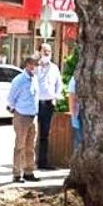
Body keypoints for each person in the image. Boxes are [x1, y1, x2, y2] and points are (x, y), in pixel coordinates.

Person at [9, 54, 40, 182]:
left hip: (33, 116)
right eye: (32, 64)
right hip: (21, 115)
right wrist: (14, 109)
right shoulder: (19, 80)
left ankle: (29, 171)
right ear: (27, 65)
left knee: (30, 146)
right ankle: (16, 173)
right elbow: (11, 98)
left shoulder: (34, 79)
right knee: (20, 145)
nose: (34, 67)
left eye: (36, 64)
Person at [35, 44, 63, 170]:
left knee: (45, 134)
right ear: (39, 52)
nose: (47, 53)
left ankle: (43, 162)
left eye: (49, 51)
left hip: (48, 103)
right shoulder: (35, 67)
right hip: (35, 103)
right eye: (45, 50)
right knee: (32, 132)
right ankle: (29, 162)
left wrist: (56, 97)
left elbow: (59, 84)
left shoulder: (54, 68)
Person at [68, 72, 83, 150]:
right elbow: (71, 98)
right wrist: (73, 116)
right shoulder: (75, 79)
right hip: (79, 114)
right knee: (79, 141)